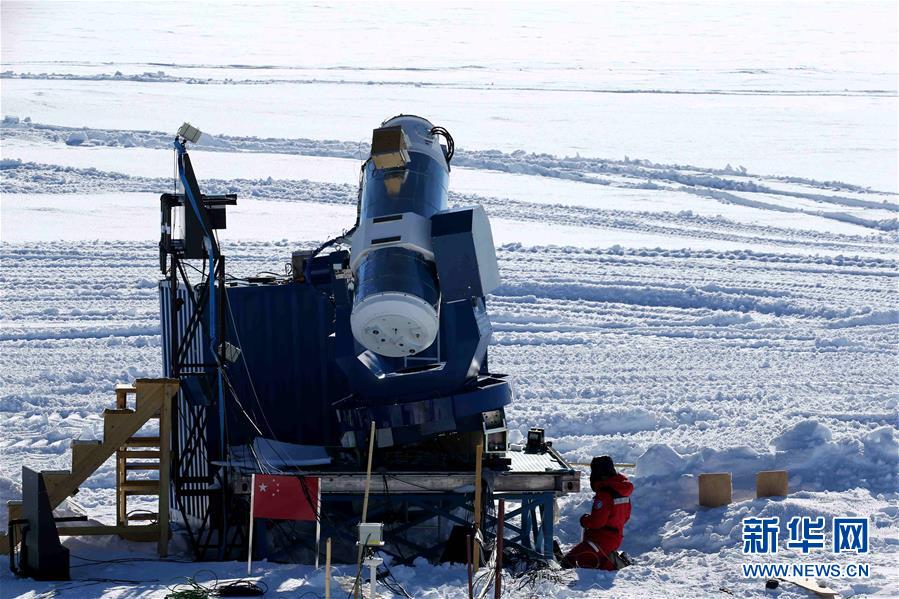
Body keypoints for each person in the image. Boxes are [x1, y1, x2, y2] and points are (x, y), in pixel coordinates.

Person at [561, 455, 633, 570]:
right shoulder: (621, 491)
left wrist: (585, 520)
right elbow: (626, 516)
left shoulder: (605, 494)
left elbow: (597, 522)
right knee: (592, 559)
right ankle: (610, 559)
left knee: (570, 561)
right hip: (616, 536)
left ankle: (613, 564)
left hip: (601, 539)